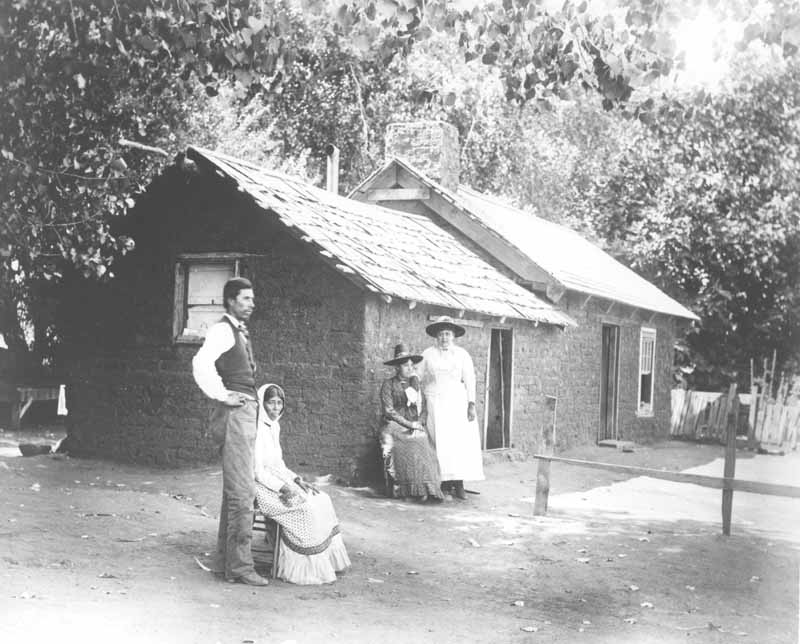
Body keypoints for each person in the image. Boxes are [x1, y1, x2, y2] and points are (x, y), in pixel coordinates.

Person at [192, 277, 269, 587]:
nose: (251, 303)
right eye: (246, 299)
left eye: (252, 298)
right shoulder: (222, 330)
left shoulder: (238, 331)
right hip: (235, 415)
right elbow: (200, 363)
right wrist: (223, 395)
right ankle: (240, 567)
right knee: (242, 492)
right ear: (231, 301)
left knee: (236, 490)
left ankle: (227, 561)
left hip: (245, 413)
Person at [254, 383, 351, 585]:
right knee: (305, 508)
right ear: (262, 404)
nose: (276, 408)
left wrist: (297, 479)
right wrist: (282, 487)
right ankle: (305, 569)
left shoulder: (274, 426)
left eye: (279, 403)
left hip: (280, 478)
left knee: (321, 499)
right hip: (263, 486)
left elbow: (278, 463)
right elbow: (258, 471)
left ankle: (325, 562)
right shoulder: (256, 430)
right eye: (271, 403)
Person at [418, 316, 485, 500]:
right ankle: (443, 483)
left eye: (447, 334)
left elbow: (470, 379)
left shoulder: (462, 354)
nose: (444, 338)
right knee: (439, 441)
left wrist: (471, 404)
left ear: (453, 336)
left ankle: (459, 483)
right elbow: (417, 376)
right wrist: (420, 403)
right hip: (435, 402)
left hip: (456, 402)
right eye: (441, 334)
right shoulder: (428, 354)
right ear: (436, 337)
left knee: (457, 443)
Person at [379, 343, 445, 502]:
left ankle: (425, 488)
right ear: (397, 368)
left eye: (411, 365)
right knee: (407, 444)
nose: (409, 368)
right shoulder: (388, 384)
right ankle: (407, 490)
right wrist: (409, 425)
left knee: (422, 441)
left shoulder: (416, 385)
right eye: (405, 365)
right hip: (394, 424)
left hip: (414, 423)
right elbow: (389, 410)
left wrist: (419, 423)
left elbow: (423, 410)